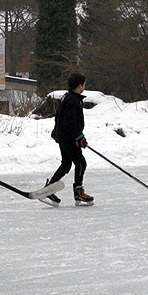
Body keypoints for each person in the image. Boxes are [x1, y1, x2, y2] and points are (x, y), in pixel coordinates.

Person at [43, 73, 94, 206]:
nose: (84, 87)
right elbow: (70, 122)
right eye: (84, 84)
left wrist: (57, 132)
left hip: (64, 137)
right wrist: (79, 137)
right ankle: (78, 192)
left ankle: (49, 189)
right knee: (81, 163)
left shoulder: (69, 98)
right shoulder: (73, 101)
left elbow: (59, 117)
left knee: (66, 164)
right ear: (79, 86)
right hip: (68, 138)